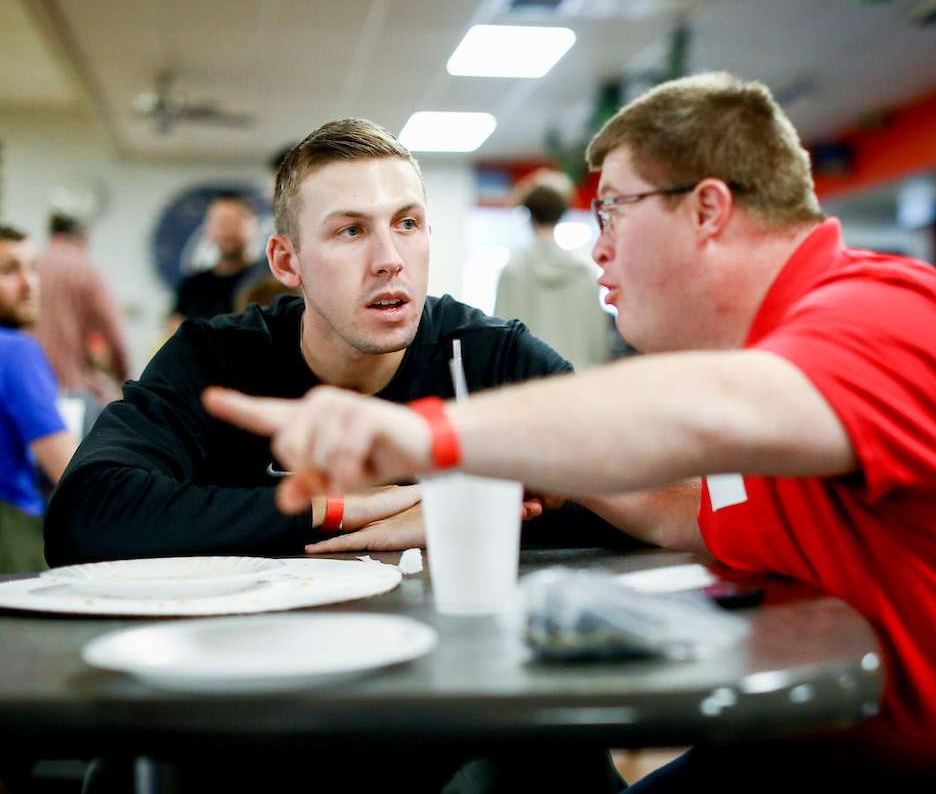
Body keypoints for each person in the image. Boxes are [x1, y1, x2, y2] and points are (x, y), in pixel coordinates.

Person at [206, 74, 936, 793]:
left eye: (614, 211)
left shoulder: (884, 312)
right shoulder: (794, 359)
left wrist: (431, 438)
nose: (597, 250)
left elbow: (703, 411)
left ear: (709, 209)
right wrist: (505, 486)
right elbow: (685, 513)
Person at [43, 118, 587, 567]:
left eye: (406, 223)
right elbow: (83, 516)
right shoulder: (215, 359)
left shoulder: (489, 353)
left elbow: (663, 488)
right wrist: (335, 509)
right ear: (286, 261)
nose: (389, 259)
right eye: (350, 230)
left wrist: (457, 509)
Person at [0, 225, 76, 573]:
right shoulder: (15, 351)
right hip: (12, 539)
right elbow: (74, 473)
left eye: (33, 268)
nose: (30, 284)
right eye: (9, 270)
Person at [494, 175, 612, 370]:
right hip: (577, 379)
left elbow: (501, 336)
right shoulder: (585, 270)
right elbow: (597, 339)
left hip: (528, 383)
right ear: (562, 213)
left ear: (529, 214)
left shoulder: (514, 269)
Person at [29, 214, 130, 409]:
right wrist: (124, 378)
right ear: (83, 238)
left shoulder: (30, 267)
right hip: (72, 389)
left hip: (28, 386)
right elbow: (114, 330)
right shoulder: (85, 270)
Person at [168, 192, 269, 328]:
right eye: (221, 223)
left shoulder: (266, 281)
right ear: (208, 227)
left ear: (254, 226)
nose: (227, 231)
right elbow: (175, 335)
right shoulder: (191, 286)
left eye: (235, 223)